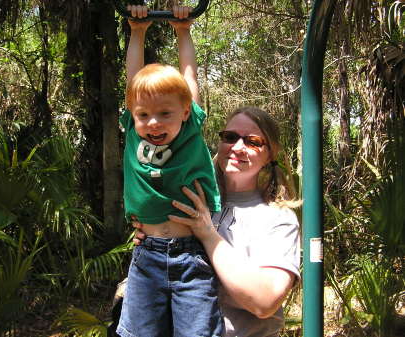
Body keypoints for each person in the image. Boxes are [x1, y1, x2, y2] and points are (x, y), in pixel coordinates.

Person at [133, 106, 301, 337]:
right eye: (230, 137)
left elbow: (265, 301)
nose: (237, 147)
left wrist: (208, 234)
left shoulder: (278, 218)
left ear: (270, 154)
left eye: (253, 142)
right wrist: (150, 236)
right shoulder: (191, 198)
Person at [116, 5, 222, 337]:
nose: (153, 123)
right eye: (144, 115)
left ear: (185, 111)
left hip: (190, 256)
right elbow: (134, 82)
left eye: (165, 113)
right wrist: (137, 31)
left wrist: (183, 30)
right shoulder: (134, 133)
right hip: (146, 255)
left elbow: (189, 81)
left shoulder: (190, 130)